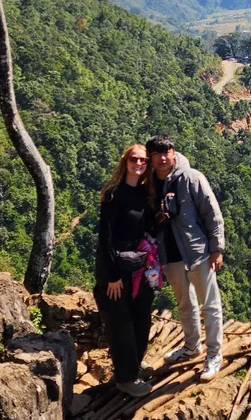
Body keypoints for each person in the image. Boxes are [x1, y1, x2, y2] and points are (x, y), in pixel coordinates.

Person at [146, 135, 227, 381]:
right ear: (150, 157)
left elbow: (212, 213)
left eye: (166, 152)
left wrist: (217, 248)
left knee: (209, 305)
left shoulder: (191, 178)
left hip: (197, 252)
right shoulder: (148, 183)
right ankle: (192, 347)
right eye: (156, 153)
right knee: (185, 304)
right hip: (169, 255)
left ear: (173, 152)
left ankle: (214, 354)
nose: (162, 158)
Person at [94, 144, 159, 398]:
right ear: (126, 162)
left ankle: (134, 362)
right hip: (116, 269)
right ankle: (126, 378)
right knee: (120, 322)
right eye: (134, 159)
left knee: (142, 317)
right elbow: (105, 238)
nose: (139, 163)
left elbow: (149, 228)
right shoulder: (113, 195)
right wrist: (111, 276)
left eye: (143, 160)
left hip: (140, 266)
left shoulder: (145, 194)